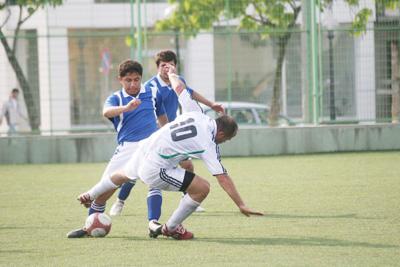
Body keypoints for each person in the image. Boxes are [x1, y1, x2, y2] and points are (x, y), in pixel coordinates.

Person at [73, 71, 263, 239]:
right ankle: (171, 227)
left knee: (121, 175)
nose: (223, 143)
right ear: (221, 134)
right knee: (202, 188)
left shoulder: (197, 112)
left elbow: (179, 87)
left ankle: (90, 193)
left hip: (144, 148)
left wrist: (172, 73)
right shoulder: (209, 143)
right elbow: (223, 178)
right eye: (226, 140)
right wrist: (241, 204)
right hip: (155, 167)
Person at [110, 50, 225, 221]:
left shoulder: (177, 80)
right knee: (134, 173)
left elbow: (190, 93)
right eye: (163, 65)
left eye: (170, 64)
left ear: (175, 65)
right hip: (155, 136)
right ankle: (120, 201)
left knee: (188, 166)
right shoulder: (150, 87)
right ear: (158, 67)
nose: (167, 68)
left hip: (175, 135)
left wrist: (211, 104)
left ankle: (190, 198)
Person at [67, 59, 167, 238]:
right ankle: (89, 227)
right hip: (127, 148)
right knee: (103, 192)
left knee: (154, 182)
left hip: (150, 145)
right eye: (128, 80)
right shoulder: (116, 98)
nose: (133, 84)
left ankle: (153, 223)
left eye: (136, 79)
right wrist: (126, 108)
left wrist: (167, 133)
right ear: (120, 79)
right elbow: (106, 112)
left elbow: (161, 116)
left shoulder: (152, 92)